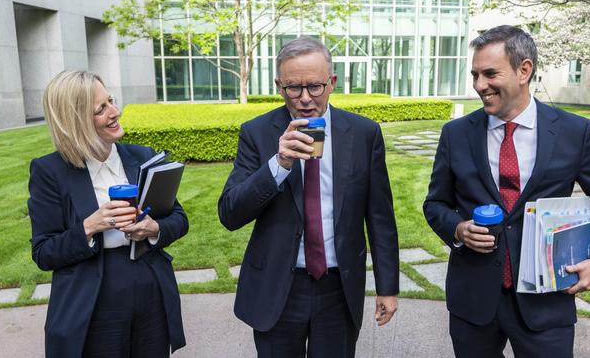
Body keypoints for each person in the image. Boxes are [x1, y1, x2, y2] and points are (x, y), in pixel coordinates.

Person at [423, 25, 590, 357]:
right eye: (475, 74)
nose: (479, 85)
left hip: (547, 305)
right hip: (473, 302)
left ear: (524, 70)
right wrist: (458, 229)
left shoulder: (574, 132)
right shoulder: (456, 134)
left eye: (490, 74)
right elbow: (435, 204)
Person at [218, 38, 399, 357]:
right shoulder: (257, 132)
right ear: (278, 85)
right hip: (278, 287)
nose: (304, 98)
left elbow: (380, 217)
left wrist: (387, 287)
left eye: (315, 86)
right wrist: (279, 163)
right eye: (293, 88)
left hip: (338, 288)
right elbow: (230, 213)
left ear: (332, 83)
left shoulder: (363, 133)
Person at [28, 70, 188, 357]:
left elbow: (179, 219)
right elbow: (44, 251)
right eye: (101, 109)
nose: (115, 112)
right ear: (75, 122)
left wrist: (153, 229)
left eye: (111, 101)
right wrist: (88, 227)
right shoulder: (49, 172)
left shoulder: (142, 157)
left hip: (149, 288)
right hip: (93, 298)